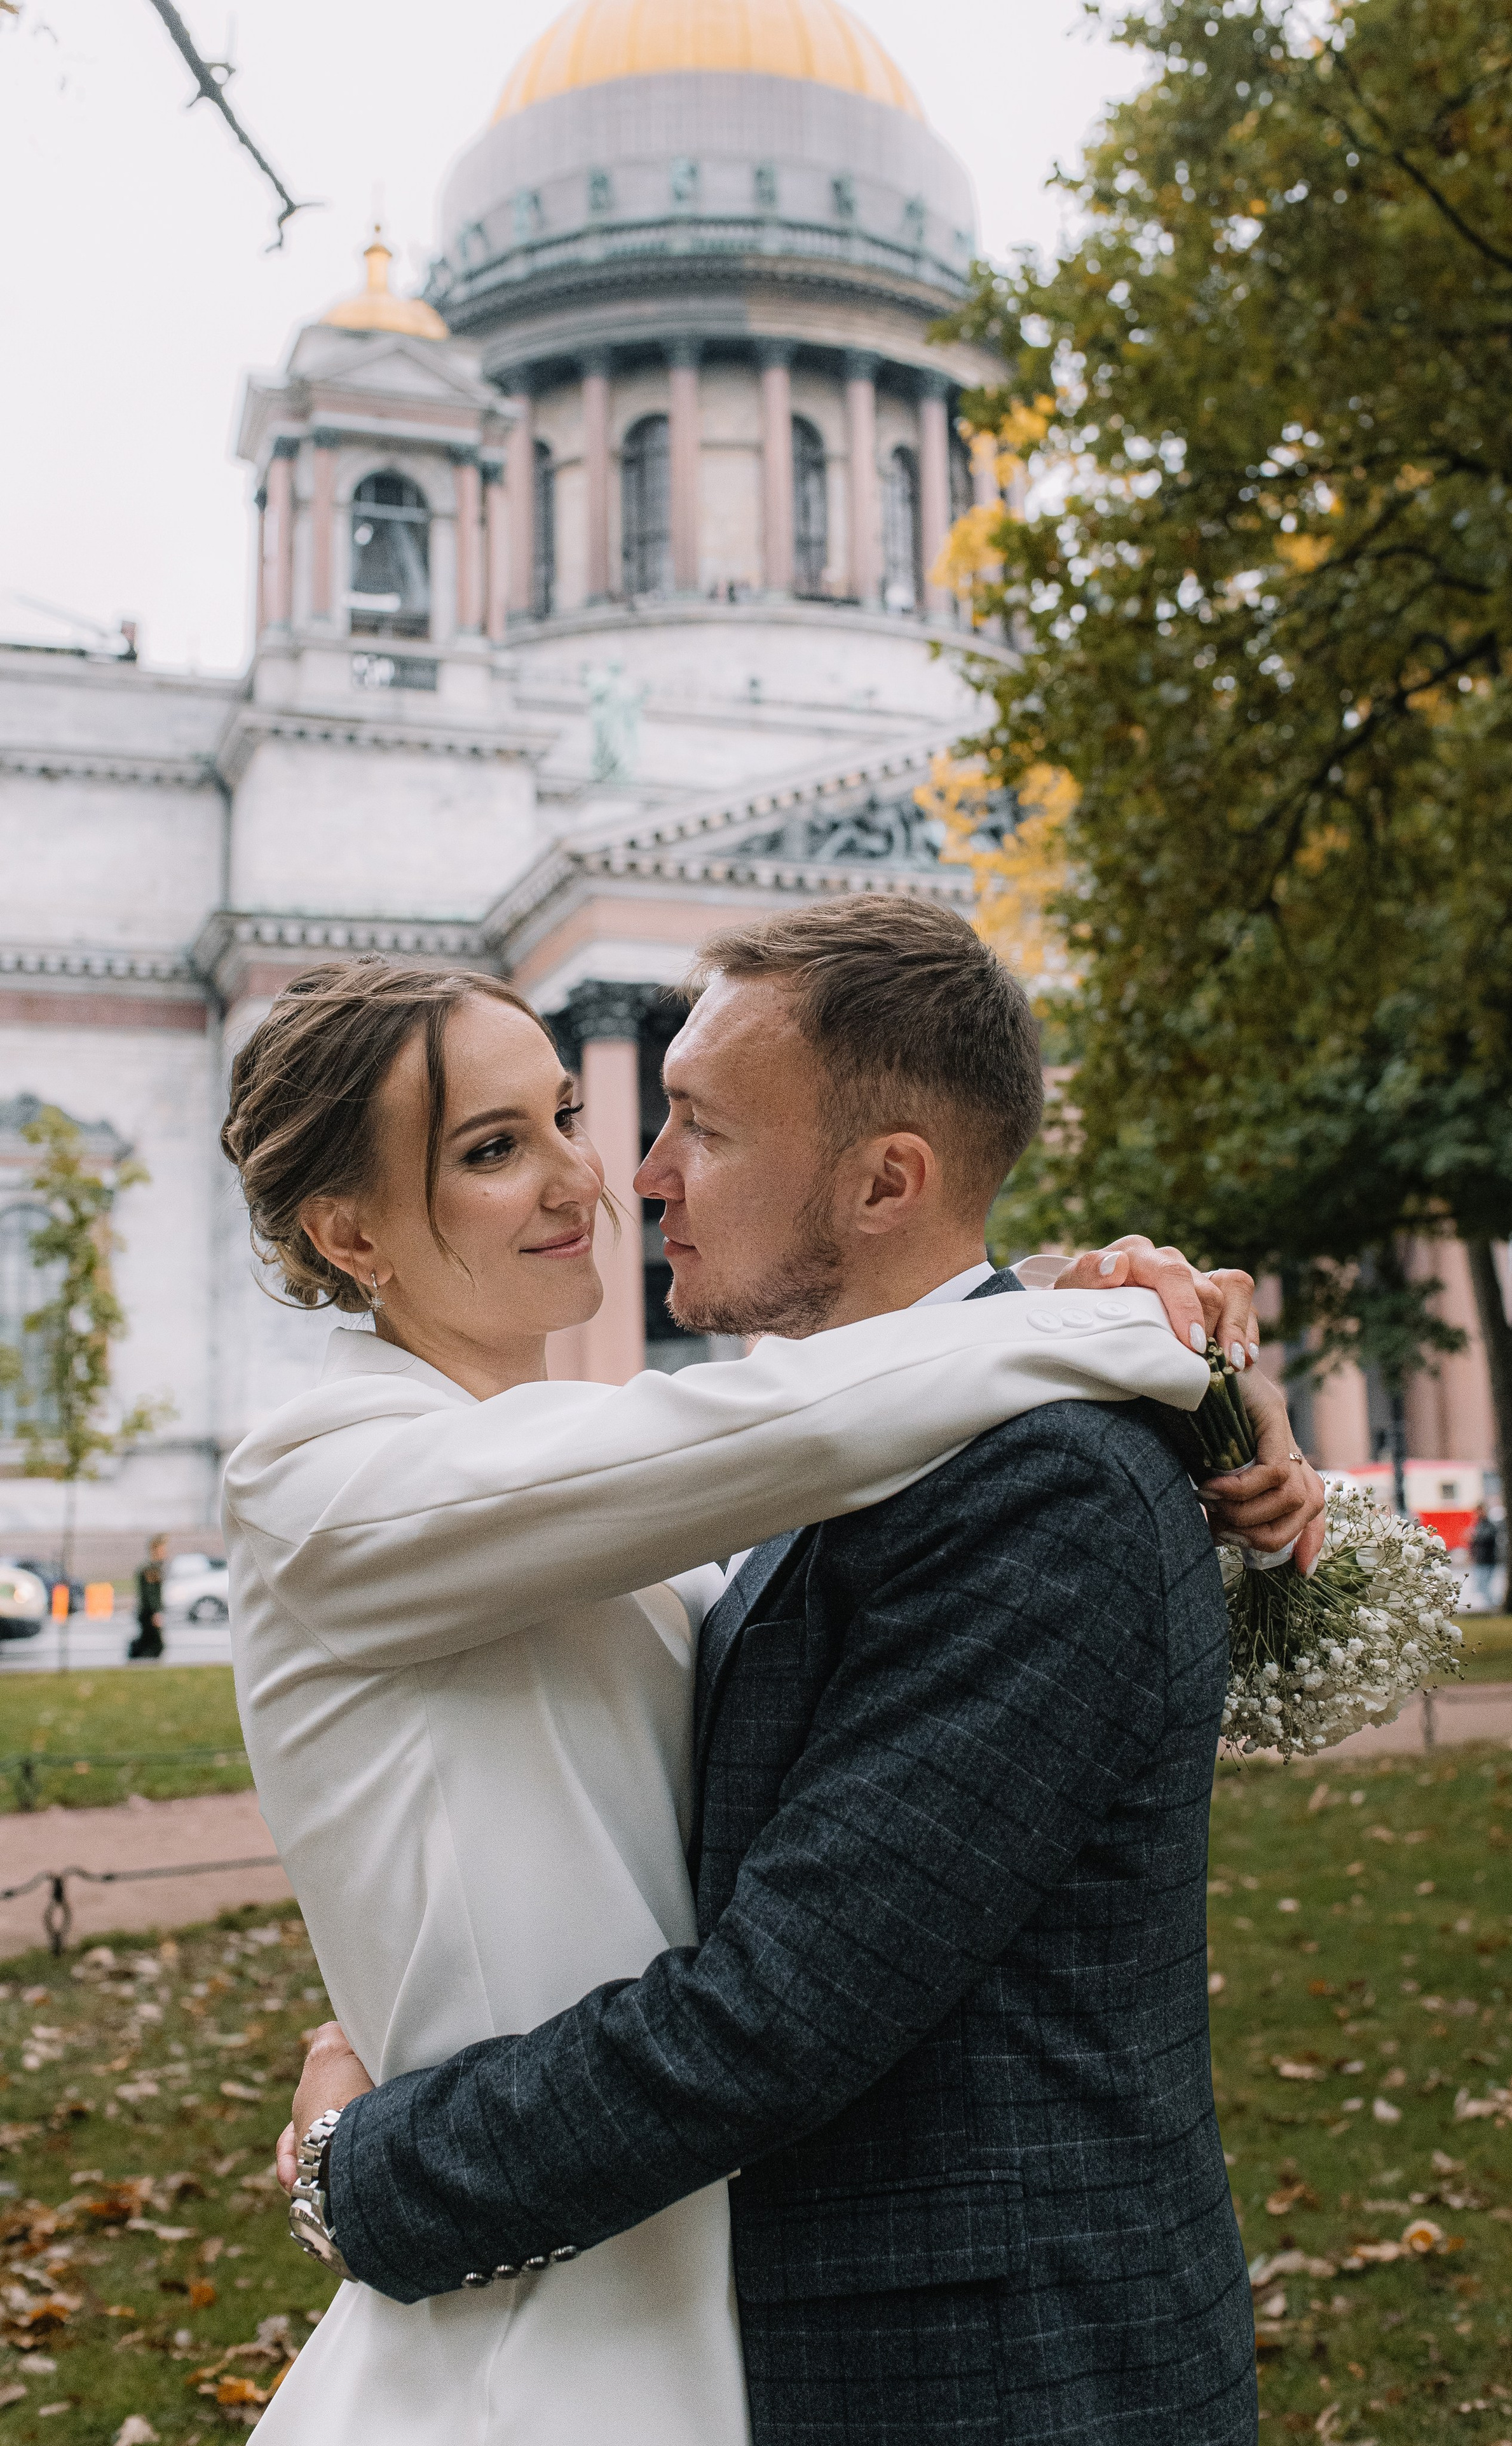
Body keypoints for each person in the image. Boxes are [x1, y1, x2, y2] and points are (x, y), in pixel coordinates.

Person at [279, 904, 1324, 2445]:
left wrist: (367, 2167)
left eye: (693, 1125)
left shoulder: (1038, 1483)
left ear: (884, 1177)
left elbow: (779, 2008)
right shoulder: (809, 1457)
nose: (631, 1173)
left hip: (998, 2372)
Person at [127, 1533, 166, 1660]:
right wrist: (156, 1612)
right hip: (148, 1612)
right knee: (156, 1645)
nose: (164, 1552)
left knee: (149, 1642)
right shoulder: (151, 1569)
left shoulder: (154, 1568)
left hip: (147, 1612)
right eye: (161, 1549)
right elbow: (151, 1593)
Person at [1468, 1503, 1500, 1607]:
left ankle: (1492, 1605)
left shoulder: (1489, 1525)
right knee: (1481, 1585)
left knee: (1485, 1584)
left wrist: (1475, 1538)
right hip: (1480, 1559)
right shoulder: (1478, 1525)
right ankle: (1491, 1604)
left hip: (1487, 1559)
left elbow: (1487, 1538)